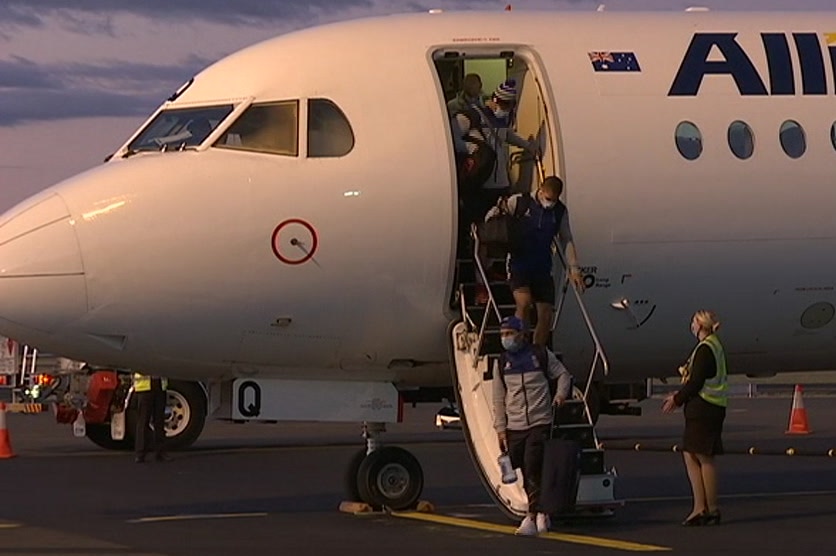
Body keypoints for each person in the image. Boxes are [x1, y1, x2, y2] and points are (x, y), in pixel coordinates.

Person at [451, 79, 537, 303]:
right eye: (505, 105)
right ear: (496, 100)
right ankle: (479, 283)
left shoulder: (501, 119)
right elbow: (451, 135)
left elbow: (506, 136)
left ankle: (489, 271)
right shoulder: (471, 116)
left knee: (498, 234)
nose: (506, 110)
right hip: (481, 187)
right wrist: (470, 148)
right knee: (481, 236)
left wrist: (527, 145)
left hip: (500, 185)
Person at [492, 315, 573, 536]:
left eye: (509, 333)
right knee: (520, 465)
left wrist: (560, 395)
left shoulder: (540, 355)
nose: (505, 338)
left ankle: (532, 515)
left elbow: (563, 375)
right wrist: (500, 428)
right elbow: (498, 397)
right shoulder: (501, 362)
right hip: (515, 424)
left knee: (532, 463)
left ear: (522, 334)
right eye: (502, 334)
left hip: (539, 421)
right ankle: (540, 511)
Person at [490, 176, 583, 346]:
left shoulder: (560, 212)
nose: (550, 204)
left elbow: (566, 238)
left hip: (542, 266)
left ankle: (537, 352)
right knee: (524, 304)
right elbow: (496, 215)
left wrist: (574, 268)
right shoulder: (520, 202)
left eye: (554, 200)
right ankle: (519, 346)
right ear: (540, 190)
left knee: (546, 313)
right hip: (519, 263)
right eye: (548, 199)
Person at [662, 310, 728, 526]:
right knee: (693, 454)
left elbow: (696, 381)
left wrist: (677, 398)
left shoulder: (705, 349)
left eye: (693, 322)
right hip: (711, 407)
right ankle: (703, 506)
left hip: (704, 408)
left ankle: (707, 508)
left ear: (700, 325)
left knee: (702, 456)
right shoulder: (714, 345)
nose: (691, 325)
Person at [133, 372, 171, 463]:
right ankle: (140, 453)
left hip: (159, 385)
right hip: (144, 388)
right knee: (143, 421)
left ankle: (160, 452)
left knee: (159, 421)